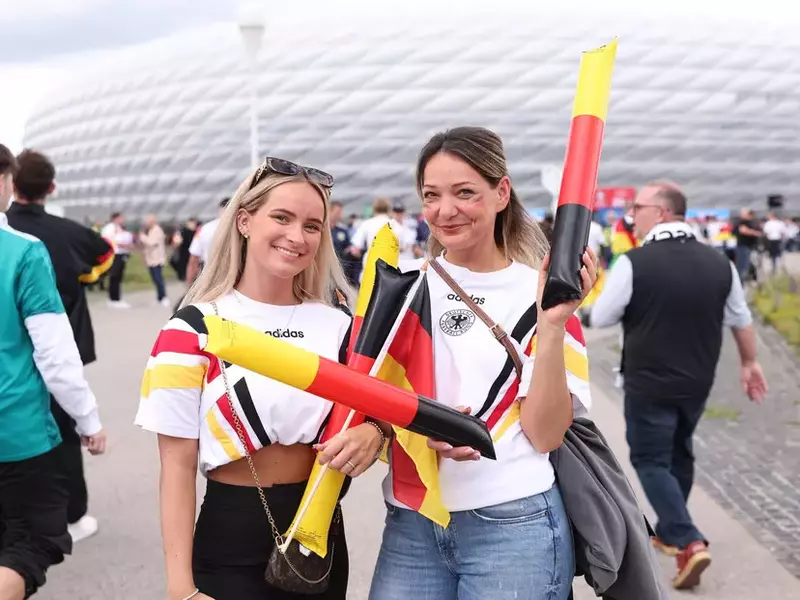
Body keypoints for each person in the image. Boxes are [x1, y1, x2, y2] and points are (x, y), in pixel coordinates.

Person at [135, 157, 384, 600]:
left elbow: (383, 409)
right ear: (245, 221)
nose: (297, 236)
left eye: (312, 225)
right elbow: (175, 465)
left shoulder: (342, 325)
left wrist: (376, 431)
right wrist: (180, 589)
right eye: (282, 218)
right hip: (230, 535)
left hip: (321, 530)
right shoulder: (192, 328)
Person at [369, 127, 596, 600]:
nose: (444, 211)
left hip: (514, 523)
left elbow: (547, 433)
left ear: (502, 193)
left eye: (465, 192)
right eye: (431, 195)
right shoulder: (398, 288)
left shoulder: (543, 294)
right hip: (412, 524)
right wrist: (409, 428)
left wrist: (552, 324)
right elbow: (368, 401)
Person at [589, 181, 767, 590]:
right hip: (699, 379)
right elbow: (740, 317)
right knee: (680, 450)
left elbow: (601, 317)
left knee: (651, 459)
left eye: (639, 207)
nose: (633, 214)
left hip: (648, 378)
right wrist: (750, 362)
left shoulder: (635, 261)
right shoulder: (720, 263)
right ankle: (672, 529)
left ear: (663, 213)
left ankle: (688, 540)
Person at [0, 143, 106, 600]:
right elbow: (55, 356)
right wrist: (89, 420)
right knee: (32, 540)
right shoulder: (22, 253)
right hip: (15, 431)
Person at [101, 212, 134, 308]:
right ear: (115, 218)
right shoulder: (109, 228)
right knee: (114, 276)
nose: (122, 220)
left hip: (122, 254)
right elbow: (108, 240)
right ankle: (113, 299)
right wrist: (120, 244)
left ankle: (116, 297)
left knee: (119, 276)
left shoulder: (120, 228)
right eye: (120, 218)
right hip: (114, 254)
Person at [139, 214, 170, 306]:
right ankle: (159, 298)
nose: (146, 224)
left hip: (157, 259)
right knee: (155, 279)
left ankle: (164, 297)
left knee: (158, 278)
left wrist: (142, 236)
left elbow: (151, 243)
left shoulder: (157, 230)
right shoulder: (151, 230)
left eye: (147, 222)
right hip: (151, 259)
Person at [329, 200, 361, 286]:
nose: (340, 214)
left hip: (340, 267)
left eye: (340, 212)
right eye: (338, 212)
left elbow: (348, 245)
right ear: (330, 211)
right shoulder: (323, 230)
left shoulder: (342, 230)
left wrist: (353, 250)